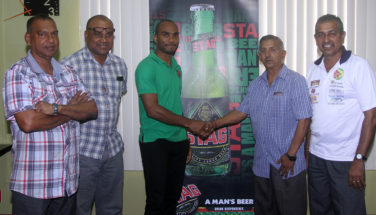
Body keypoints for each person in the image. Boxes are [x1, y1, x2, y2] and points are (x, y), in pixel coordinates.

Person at [2, 15, 98, 215]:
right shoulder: (18, 73)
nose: (51, 40)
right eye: (43, 34)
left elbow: (91, 109)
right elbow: (28, 123)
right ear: (29, 39)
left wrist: (57, 109)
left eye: (54, 34)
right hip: (33, 186)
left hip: (67, 184)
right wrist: (71, 111)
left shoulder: (68, 73)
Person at [211, 35, 312, 215]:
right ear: (259, 55)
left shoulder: (295, 81)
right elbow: (241, 112)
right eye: (263, 50)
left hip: (286, 164)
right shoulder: (255, 85)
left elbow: (304, 120)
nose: (267, 54)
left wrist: (292, 155)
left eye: (273, 49)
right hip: (262, 164)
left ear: (283, 54)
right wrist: (214, 124)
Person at [135, 19, 211, 215]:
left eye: (174, 35)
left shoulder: (176, 68)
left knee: (172, 199)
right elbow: (152, 109)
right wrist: (189, 124)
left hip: (178, 140)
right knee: (156, 200)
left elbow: (174, 106)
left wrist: (185, 140)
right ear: (155, 38)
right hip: (155, 141)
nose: (171, 39)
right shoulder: (146, 67)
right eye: (165, 34)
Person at [306, 14, 376, 215]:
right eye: (321, 35)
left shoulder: (358, 66)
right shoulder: (313, 69)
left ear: (342, 36)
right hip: (317, 159)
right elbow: (312, 117)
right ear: (316, 39)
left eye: (332, 33)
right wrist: (307, 153)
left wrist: (359, 159)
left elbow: (372, 116)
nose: (326, 39)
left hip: (346, 160)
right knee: (319, 210)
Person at [61, 15, 127, 215]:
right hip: (82, 152)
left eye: (109, 34)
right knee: (78, 209)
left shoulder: (119, 65)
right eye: (97, 33)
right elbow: (63, 111)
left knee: (112, 209)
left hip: (112, 150)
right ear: (86, 34)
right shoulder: (68, 66)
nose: (103, 39)